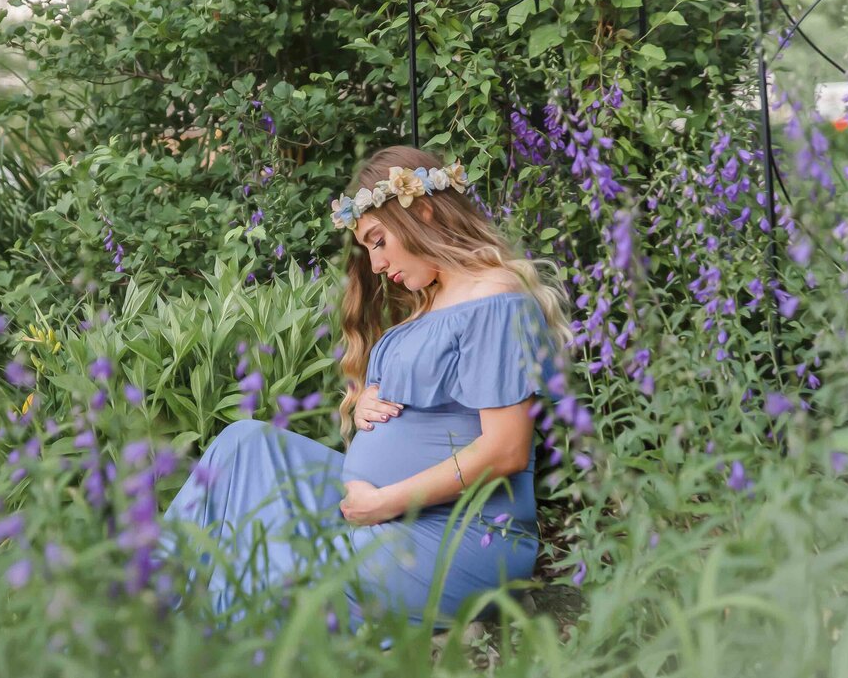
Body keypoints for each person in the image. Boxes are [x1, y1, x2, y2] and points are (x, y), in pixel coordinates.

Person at [155, 145, 573, 643]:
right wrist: (372, 396)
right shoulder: (436, 300)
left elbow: (506, 450)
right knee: (243, 444)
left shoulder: (496, 300)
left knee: (272, 561)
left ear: (422, 210)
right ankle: (146, 599)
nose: (375, 265)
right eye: (367, 248)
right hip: (380, 505)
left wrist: (384, 503)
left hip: (455, 532)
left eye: (379, 241)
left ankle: (186, 640)